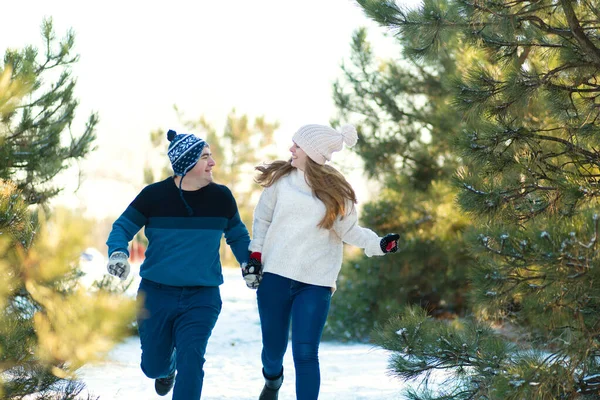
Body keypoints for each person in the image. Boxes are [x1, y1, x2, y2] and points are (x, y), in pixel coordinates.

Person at [245, 123, 400, 400]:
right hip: (276, 275)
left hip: (316, 282)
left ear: (313, 153)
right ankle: (272, 379)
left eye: (297, 145)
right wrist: (255, 256)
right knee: (273, 350)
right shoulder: (282, 181)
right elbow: (262, 219)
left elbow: (349, 231)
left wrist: (378, 244)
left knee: (305, 354)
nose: (291, 149)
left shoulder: (336, 191)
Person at [105, 129, 252, 399]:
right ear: (186, 164)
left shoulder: (222, 197)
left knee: (192, 360)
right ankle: (166, 369)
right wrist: (117, 252)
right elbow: (122, 227)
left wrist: (248, 263)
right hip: (156, 294)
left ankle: (177, 370)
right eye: (205, 157)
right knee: (153, 366)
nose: (212, 163)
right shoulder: (153, 196)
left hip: (202, 296)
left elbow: (238, 235)